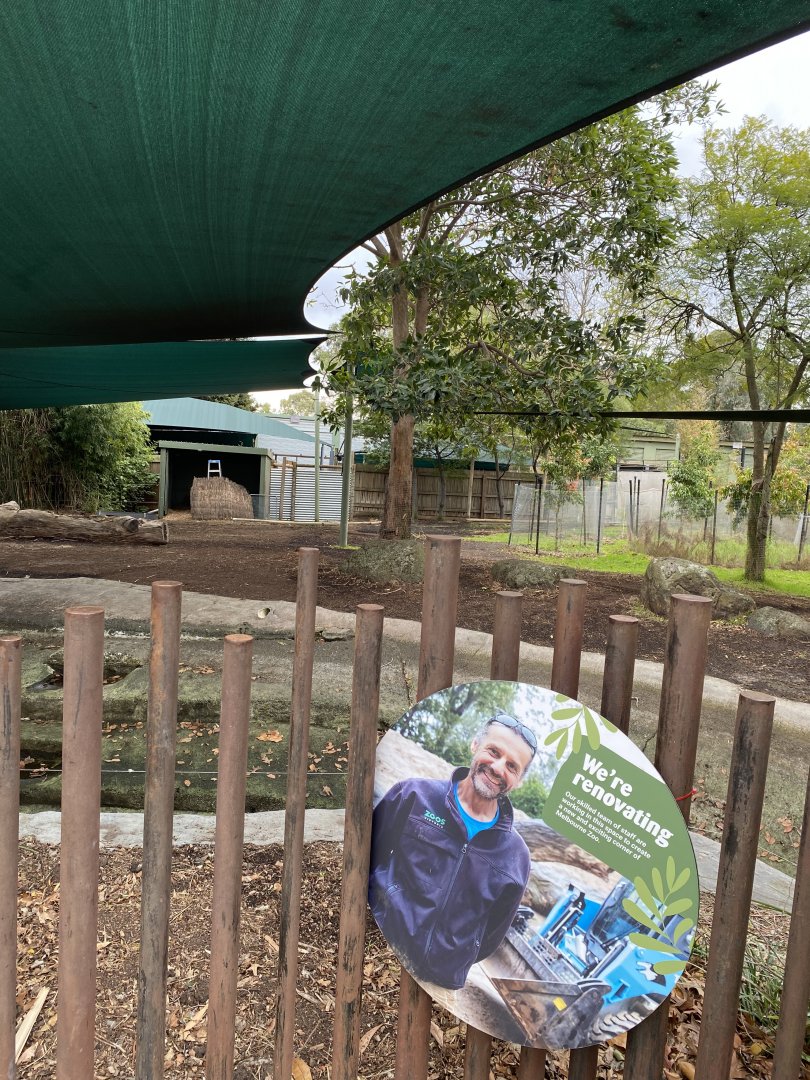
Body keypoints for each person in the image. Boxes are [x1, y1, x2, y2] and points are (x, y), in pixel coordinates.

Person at [369, 712, 535, 990]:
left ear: (518, 781)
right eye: (493, 752)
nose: (498, 768)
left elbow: (492, 934)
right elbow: (367, 856)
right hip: (380, 945)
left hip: (441, 982)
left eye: (512, 766)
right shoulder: (413, 795)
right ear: (475, 745)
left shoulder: (516, 857)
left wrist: (457, 956)